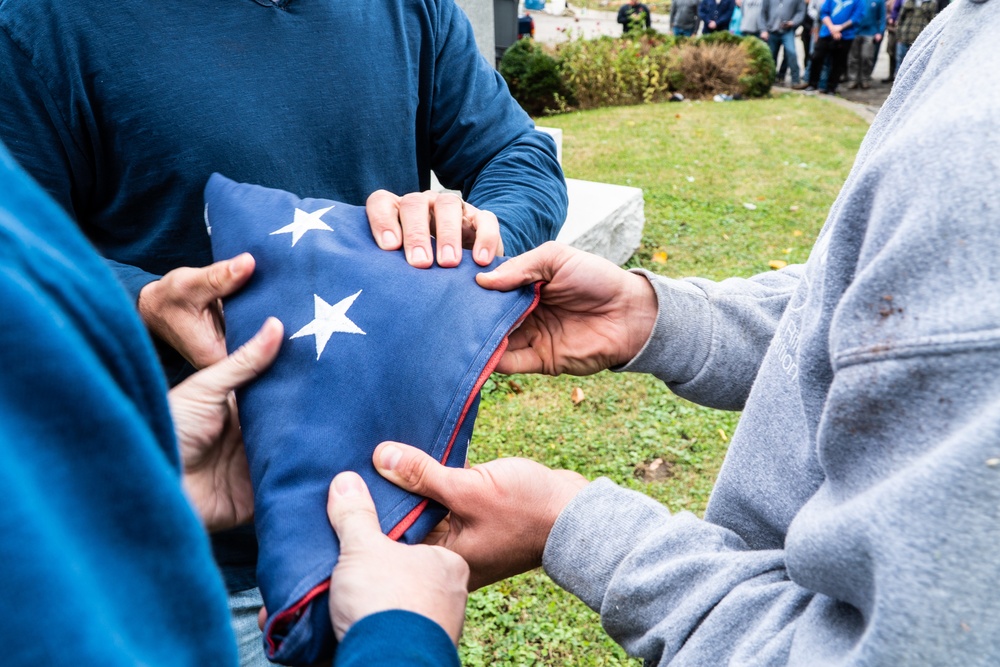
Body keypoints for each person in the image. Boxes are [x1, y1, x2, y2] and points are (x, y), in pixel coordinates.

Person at [366, 0, 1000, 662]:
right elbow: (867, 299)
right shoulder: (970, 29)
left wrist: (565, 523)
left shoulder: (978, 149)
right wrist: (658, 317)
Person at [0, 0, 566, 662]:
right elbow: (17, 253)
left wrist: (481, 234)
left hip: (386, 542)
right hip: (189, 547)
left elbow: (518, 154)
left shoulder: (411, 9)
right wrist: (140, 301)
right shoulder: (47, 22)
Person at [0, 140, 469, 665]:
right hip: (199, 570)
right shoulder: (33, 64)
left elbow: (514, 151)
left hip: (203, 517)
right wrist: (402, 632)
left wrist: (470, 270)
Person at [804, 0, 866, 93]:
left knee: (838, 62)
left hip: (846, 35)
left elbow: (856, 17)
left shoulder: (859, 1)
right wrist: (832, 27)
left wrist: (840, 27)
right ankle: (813, 84)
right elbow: (824, 13)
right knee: (817, 57)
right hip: (826, 32)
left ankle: (831, 87)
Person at [761, 0, 807, 86]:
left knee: (791, 53)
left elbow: (801, 12)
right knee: (771, 55)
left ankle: (795, 81)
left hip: (787, 31)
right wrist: (763, 29)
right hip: (771, 30)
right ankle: (769, 79)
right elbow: (762, 13)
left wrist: (793, 22)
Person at [846, 0, 886, 88]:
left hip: (870, 32)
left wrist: (880, 32)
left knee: (867, 57)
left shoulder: (879, 1)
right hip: (855, 31)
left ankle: (865, 79)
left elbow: (882, 17)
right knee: (853, 58)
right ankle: (853, 79)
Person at [894, 0, 938, 67]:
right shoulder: (909, 2)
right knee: (900, 60)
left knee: (914, 63)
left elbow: (933, 22)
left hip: (919, 40)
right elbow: (900, 20)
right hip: (904, 37)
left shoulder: (931, 4)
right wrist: (898, 36)